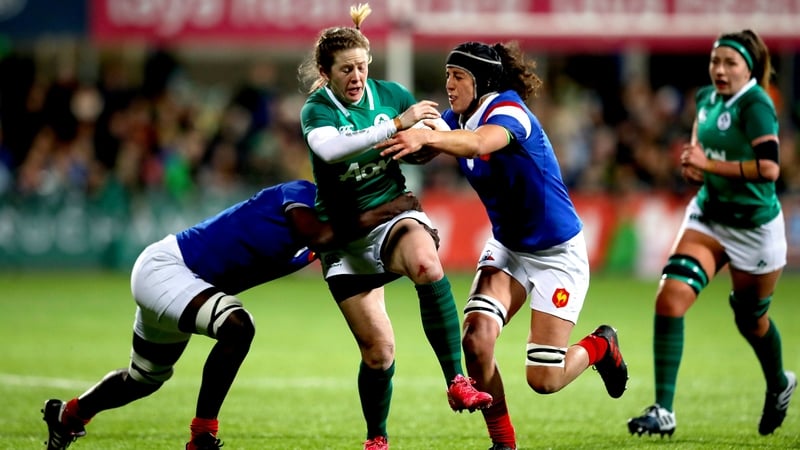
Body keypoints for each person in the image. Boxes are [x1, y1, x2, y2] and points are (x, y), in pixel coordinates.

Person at [376, 41, 629, 450]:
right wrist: (392, 135)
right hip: (509, 248)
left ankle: (601, 345)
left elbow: (476, 144)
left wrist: (428, 136)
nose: (450, 84)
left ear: (482, 81)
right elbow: (433, 145)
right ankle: (503, 444)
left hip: (556, 255)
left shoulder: (508, 112)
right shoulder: (456, 117)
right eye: (447, 76)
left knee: (543, 380)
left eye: (458, 77)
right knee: (475, 340)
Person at [40, 179, 419, 450]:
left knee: (143, 379)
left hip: (187, 286)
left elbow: (347, 256)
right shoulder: (301, 194)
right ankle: (202, 434)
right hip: (167, 269)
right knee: (238, 326)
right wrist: (388, 210)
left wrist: (408, 262)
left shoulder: (324, 241)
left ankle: (69, 416)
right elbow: (319, 235)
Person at [297, 4, 493, 449]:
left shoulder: (390, 94)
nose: (357, 76)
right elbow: (331, 152)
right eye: (346, 69)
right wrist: (395, 125)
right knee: (379, 352)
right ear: (326, 73)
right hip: (344, 237)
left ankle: (456, 379)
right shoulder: (316, 110)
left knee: (427, 264)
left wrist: (427, 138)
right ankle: (377, 438)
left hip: (391, 213)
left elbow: (433, 128)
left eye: (363, 66)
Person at [625, 29, 796, 438]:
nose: (720, 70)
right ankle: (663, 409)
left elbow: (770, 169)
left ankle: (779, 383)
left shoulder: (756, 104)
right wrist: (693, 164)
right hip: (709, 218)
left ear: (748, 67)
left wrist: (711, 166)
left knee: (751, 321)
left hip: (754, 227)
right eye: (715, 62)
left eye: (730, 63)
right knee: (670, 298)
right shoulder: (706, 99)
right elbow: (700, 148)